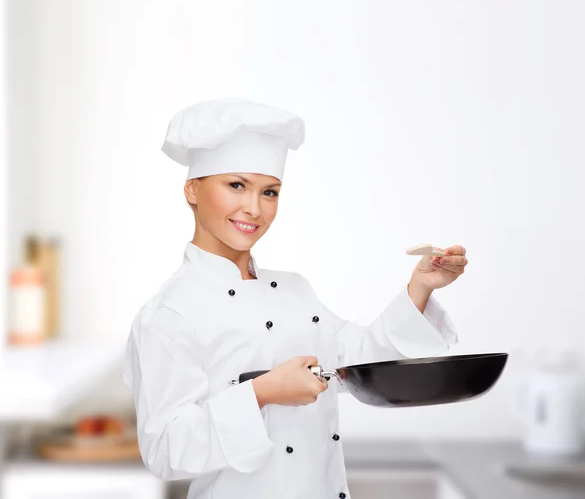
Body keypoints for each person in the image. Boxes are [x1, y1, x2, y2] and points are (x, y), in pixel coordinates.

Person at [122, 97, 468, 499]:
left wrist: (421, 287)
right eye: (236, 185)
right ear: (192, 190)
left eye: (269, 192)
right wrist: (262, 392)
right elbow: (166, 450)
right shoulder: (168, 314)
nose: (254, 208)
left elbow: (358, 360)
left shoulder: (294, 289)